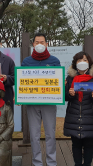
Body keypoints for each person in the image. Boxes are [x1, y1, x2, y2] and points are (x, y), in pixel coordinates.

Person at [21, 33, 60, 166]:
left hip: (49, 102)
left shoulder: (54, 61)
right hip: (32, 103)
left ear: (46, 44)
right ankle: (36, 162)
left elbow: (58, 81)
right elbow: (23, 82)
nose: (39, 44)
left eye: (42, 42)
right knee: (34, 135)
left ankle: (51, 162)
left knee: (50, 133)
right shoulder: (26, 61)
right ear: (33, 44)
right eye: (37, 42)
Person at [64, 51, 93, 166]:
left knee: (89, 144)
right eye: (79, 60)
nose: (82, 62)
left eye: (85, 60)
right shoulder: (70, 78)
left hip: (90, 117)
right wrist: (69, 94)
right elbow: (64, 97)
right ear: (75, 63)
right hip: (73, 116)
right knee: (75, 144)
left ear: (89, 62)